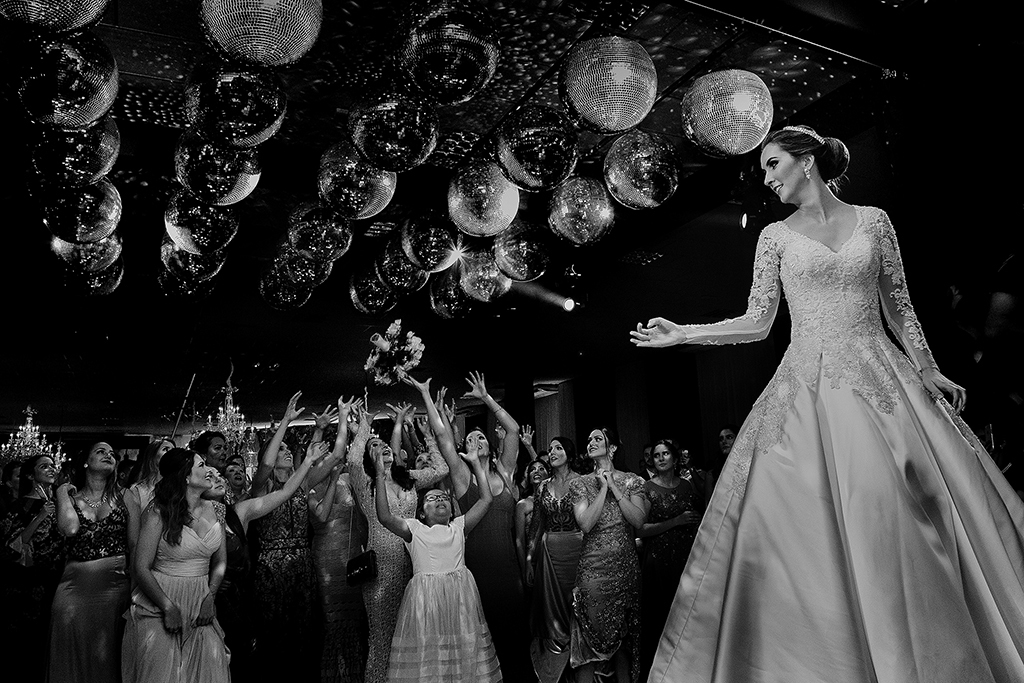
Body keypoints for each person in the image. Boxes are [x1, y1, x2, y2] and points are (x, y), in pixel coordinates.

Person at [632, 125, 1024, 683]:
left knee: (904, 510)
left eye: (771, 164)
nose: (766, 179)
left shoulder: (876, 221)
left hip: (882, 379)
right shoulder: (774, 238)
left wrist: (930, 368)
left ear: (805, 160)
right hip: (807, 389)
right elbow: (758, 323)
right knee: (821, 522)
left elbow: (901, 309)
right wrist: (685, 333)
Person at [372, 438, 501, 682]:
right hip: (426, 599)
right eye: (431, 499)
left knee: (462, 647)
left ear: (452, 509)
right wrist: (380, 475)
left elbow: (486, 500)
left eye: (443, 497)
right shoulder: (414, 529)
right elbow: (384, 517)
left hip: (459, 596)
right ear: (421, 512)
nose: (440, 500)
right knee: (431, 650)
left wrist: (477, 467)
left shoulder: (459, 526)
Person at [203, 440, 327, 682]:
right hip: (270, 570)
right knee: (271, 637)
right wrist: (286, 421)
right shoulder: (259, 490)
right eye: (280, 448)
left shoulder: (294, 485)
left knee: (303, 633)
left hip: (302, 566)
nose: (287, 450)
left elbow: (289, 490)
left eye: (286, 446)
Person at [346, 394, 449, 683]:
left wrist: (428, 438)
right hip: (381, 562)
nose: (381, 448)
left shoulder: (408, 479)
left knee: (413, 634)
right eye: (374, 447)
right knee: (381, 635)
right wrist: (365, 426)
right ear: (369, 457)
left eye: (383, 445)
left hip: (412, 560)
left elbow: (441, 469)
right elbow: (352, 458)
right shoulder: (365, 482)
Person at [122, 448, 230, 683]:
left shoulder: (217, 510)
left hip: (201, 599)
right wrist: (167, 607)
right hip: (161, 599)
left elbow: (220, 561)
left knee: (210, 672)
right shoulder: (158, 512)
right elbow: (140, 566)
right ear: (185, 476)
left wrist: (210, 595)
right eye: (201, 465)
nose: (210, 471)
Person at [569, 427, 648, 683]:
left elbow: (638, 520)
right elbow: (585, 524)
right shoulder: (579, 483)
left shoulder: (633, 481)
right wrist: (602, 489)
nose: (590, 442)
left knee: (624, 643)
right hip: (593, 571)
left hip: (625, 569)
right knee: (589, 644)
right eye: (589, 438)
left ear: (612, 448)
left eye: (597, 438)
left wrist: (614, 486)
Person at [49, 441, 132, 683]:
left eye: (111, 453)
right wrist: (62, 492)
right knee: (72, 653)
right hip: (74, 587)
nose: (108, 455)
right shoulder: (70, 498)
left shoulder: (125, 496)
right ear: (86, 461)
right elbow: (70, 528)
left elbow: (135, 544)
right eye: (100, 451)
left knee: (108, 656)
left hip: (115, 585)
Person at [636, 439, 702, 680]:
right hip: (658, 562)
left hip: (685, 559)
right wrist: (675, 522)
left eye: (665, 454)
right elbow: (640, 529)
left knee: (686, 615)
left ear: (675, 459)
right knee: (660, 617)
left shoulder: (687, 486)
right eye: (656, 455)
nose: (661, 458)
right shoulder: (646, 488)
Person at [0, 453, 65, 679]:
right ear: (31, 474)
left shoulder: (60, 503)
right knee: (25, 644)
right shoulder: (20, 505)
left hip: (56, 579)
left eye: (52, 465)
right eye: (44, 466)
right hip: (26, 584)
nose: (51, 469)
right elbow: (11, 546)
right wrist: (40, 516)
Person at [527, 436, 583, 683]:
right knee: (552, 610)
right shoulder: (542, 487)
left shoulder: (583, 483)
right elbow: (536, 526)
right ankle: (556, 668)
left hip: (578, 551)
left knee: (577, 605)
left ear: (569, 454)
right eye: (549, 449)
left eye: (558, 448)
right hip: (549, 554)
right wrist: (530, 559)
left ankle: (581, 662)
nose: (552, 452)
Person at [125, 438, 175, 580]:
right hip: (146, 555)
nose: (170, 453)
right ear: (152, 457)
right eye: (166, 449)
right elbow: (133, 538)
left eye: (173, 450)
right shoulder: (137, 490)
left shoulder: (180, 490)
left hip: (173, 556)